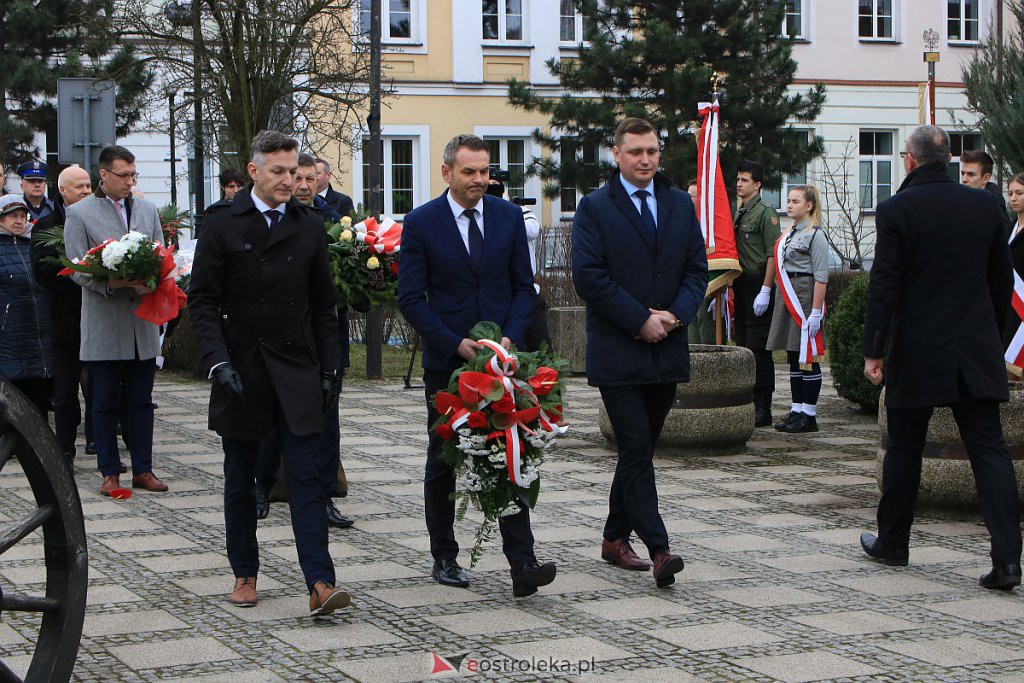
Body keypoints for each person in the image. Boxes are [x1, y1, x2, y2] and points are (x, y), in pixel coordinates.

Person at [189, 130, 350, 615]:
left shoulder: (308, 225)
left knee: (306, 476)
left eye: (293, 171)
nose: (289, 180)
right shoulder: (221, 225)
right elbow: (202, 301)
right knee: (240, 480)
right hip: (241, 370)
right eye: (278, 171)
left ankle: (320, 582)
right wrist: (217, 363)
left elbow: (324, 306)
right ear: (254, 171)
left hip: (296, 368)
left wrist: (330, 368)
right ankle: (244, 573)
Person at [860, 125, 1021, 590]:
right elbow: (1002, 281)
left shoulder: (895, 210)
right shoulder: (987, 205)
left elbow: (884, 285)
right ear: (948, 160)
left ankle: (893, 542)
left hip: (916, 347)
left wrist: (874, 350)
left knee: (904, 448)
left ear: (909, 160)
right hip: (974, 346)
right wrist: (987, 333)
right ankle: (1008, 560)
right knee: (990, 450)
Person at [398, 133, 557, 598]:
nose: (479, 180)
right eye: (469, 171)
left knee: (510, 455)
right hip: (448, 364)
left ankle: (521, 562)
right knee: (443, 461)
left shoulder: (507, 218)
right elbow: (411, 297)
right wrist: (456, 343)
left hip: (505, 363)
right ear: (447, 172)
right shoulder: (423, 222)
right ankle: (444, 555)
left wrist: (508, 338)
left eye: (485, 171)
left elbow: (523, 287)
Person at [572, 117, 708, 588]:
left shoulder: (677, 203)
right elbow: (589, 277)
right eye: (636, 152)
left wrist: (673, 316)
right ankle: (659, 549)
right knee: (635, 447)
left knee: (640, 449)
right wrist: (640, 319)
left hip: (666, 348)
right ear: (617, 154)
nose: (646, 159)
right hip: (618, 352)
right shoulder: (595, 207)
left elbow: (697, 269)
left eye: (652, 151)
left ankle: (613, 537)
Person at [254, 152, 353, 530]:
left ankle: (324, 495)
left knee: (328, 423)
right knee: (272, 420)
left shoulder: (335, 218)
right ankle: (262, 486)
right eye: (299, 178)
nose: (305, 185)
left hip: (325, 336)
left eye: (312, 179)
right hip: (286, 337)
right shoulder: (279, 220)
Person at [64, 145, 169, 496]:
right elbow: (77, 269)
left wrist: (150, 276)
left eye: (133, 175)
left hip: (142, 322)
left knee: (141, 400)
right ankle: (110, 471)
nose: (129, 182)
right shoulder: (80, 214)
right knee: (104, 401)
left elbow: (160, 252)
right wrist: (111, 282)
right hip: (105, 322)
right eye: (123, 175)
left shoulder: (148, 208)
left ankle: (144, 468)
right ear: (103, 175)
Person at [30, 166, 93, 460]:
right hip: (65, 317)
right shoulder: (46, 226)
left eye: (89, 186)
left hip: (96, 318)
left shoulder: (98, 218)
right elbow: (43, 272)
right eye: (79, 186)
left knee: (99, 387)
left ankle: (97, 440)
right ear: (63, 191)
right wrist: (80, 277)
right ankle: (64, 447)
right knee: (65, 390)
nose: (85, 191)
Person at [766, 186, 829, 433]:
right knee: (794, 354)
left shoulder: (816, 235)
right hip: (787, 294)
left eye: (795, 201)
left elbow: (821, 277)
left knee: (808, 356)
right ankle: (797, 409)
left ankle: (809, 414)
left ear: (809, 206)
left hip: (804, 297)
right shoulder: (789, 233)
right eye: (788, 201)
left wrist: (815, 312)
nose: (789, 205)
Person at [732, 160, 781, 427]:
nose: (739, 184)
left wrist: (766, 288)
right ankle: (747, 400)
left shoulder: (765, 213)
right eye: (738, 180)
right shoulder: (740, 211)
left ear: (757, 184)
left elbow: (773, 253)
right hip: (740, 285)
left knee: (758, 348)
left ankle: (763, 405)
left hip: (757, 285)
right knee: (742, 344)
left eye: (745, 180)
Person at [0, 195, 52, 414]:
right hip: (10, 333)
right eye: (13, 216)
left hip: (40, 330)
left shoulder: (37, 244)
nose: (19, 221)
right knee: (12, 399)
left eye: (23, 216)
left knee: (39, 396)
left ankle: (37, 446)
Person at [485, 178, 550, 351]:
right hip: (495, 295)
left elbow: (532, 230)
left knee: (541, 353)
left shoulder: (519, 212)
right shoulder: (479, 215)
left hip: (527, 293)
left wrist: (505, 210)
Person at [1004, 173, 1024, 374]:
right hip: (1010, 307)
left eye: (1019, 193)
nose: (1013, 198)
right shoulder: (1008, 228)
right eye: (1010, 193)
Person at [960, 150, 1010, 228]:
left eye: (971, 174)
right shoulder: (966, 197)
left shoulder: (993, 202)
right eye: (963, 173)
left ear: (986, 178)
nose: (964, 179)